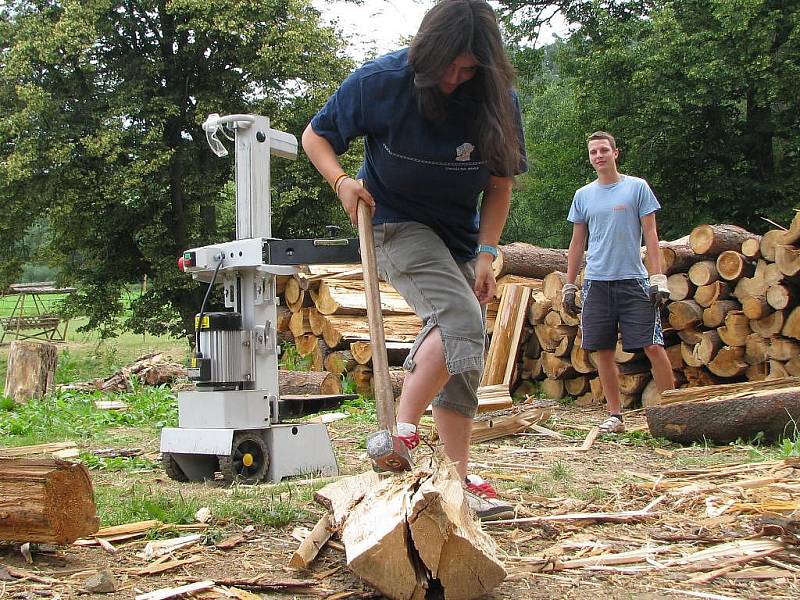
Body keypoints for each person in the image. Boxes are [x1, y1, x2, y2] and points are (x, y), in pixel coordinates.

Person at [301, 0, 526, 519]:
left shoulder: (496, 101)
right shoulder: (381, 80)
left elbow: (499, 185)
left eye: (466, 68)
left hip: (460, 236)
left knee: (463, 343)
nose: (452, 77)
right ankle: (400, 437)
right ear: (425, 50)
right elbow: (317, 136)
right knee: (462, 321)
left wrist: (488, 252)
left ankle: (455, 478)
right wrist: (341, 181)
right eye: (445, 64)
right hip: (391, 221)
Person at [562, 131, 675, 434]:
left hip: (634, 281)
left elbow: (651, 234)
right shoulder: (583, 195)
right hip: (597, 283)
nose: (598, 156)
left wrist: (657, 277)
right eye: (592, 153)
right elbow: (576, 243)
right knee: (603, 350)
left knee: (653, 345)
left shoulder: (636, 188)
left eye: (603, 150)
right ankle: (615, 416)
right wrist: (570, 284)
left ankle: (674, 410)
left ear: (616, 153)